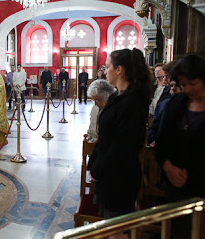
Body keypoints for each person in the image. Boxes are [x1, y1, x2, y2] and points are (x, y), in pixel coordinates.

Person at [87, 49, 150, 235]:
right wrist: (93, 163)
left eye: (107, 67)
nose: (105, 71)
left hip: (120, 176)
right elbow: (104, 136)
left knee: (117, 231)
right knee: (110, 225)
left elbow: (122, 146)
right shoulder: (116, 96)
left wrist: (98, 169)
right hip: (108, 174)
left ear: (119, 69)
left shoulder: (132, 103)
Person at [156, 55, 205, 238]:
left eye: (193, 84)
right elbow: (162, 141)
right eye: (183, 85)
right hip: (175, 185)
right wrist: (169, 167)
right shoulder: (177, 103)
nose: (187, 90)